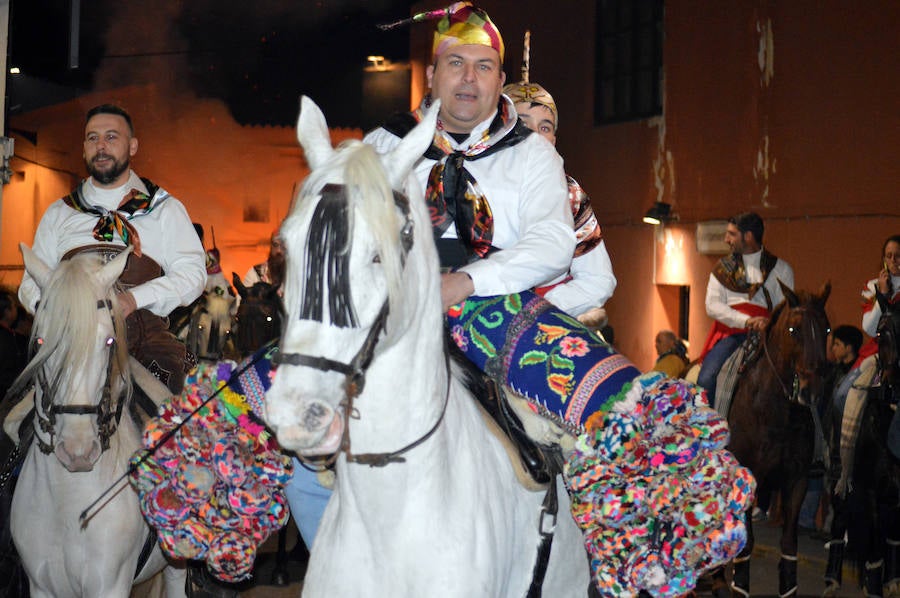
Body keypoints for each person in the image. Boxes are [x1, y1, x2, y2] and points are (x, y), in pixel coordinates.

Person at [280, 2, 577, 553]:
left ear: (500, 81)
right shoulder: (384, 144)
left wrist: (465, 283)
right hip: (389, 312)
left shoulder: (533, 155)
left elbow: (555, 244)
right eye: (456, 63)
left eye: (483, 66)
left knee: (593, 428)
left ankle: (587, 562)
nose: (468, 77)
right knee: (276, 437)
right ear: (433, 74)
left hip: (503, 311)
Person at [16, 104, 206, 395]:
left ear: (132, 147)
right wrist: (55, 308)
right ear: (83, 148)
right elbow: (31, 282)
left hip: (144, 345)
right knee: (13, 420)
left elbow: (193, 275)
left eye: (111, 137)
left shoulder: (166, 209)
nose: (100, 146)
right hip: (70, 345)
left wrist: (133, 298)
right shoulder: (59, 213)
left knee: (182, 421)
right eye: (92, 138)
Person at [501, 33, 617, 320]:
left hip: (550, 318)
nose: (536, 137)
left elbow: (599, 279)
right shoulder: (471, 182)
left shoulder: (571, 195)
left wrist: (541, 307)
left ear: (554, 138)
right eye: (522, 125)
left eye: (545, 127)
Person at [697, 212, 794, 404]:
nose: (726, 239)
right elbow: (712, 305)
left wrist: (768, 322)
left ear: (748, 237)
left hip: (768, 335)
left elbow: (785, 308)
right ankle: (706, 429)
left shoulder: (781, 269)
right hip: (731, 334)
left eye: (732, 234)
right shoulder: (722, 268)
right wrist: (747, 320)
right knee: (706, 379)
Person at [0, 290, 27, 400]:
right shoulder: (4, 338)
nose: (17, 309)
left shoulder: (8, 334)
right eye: (14, 306)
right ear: (7, 312)